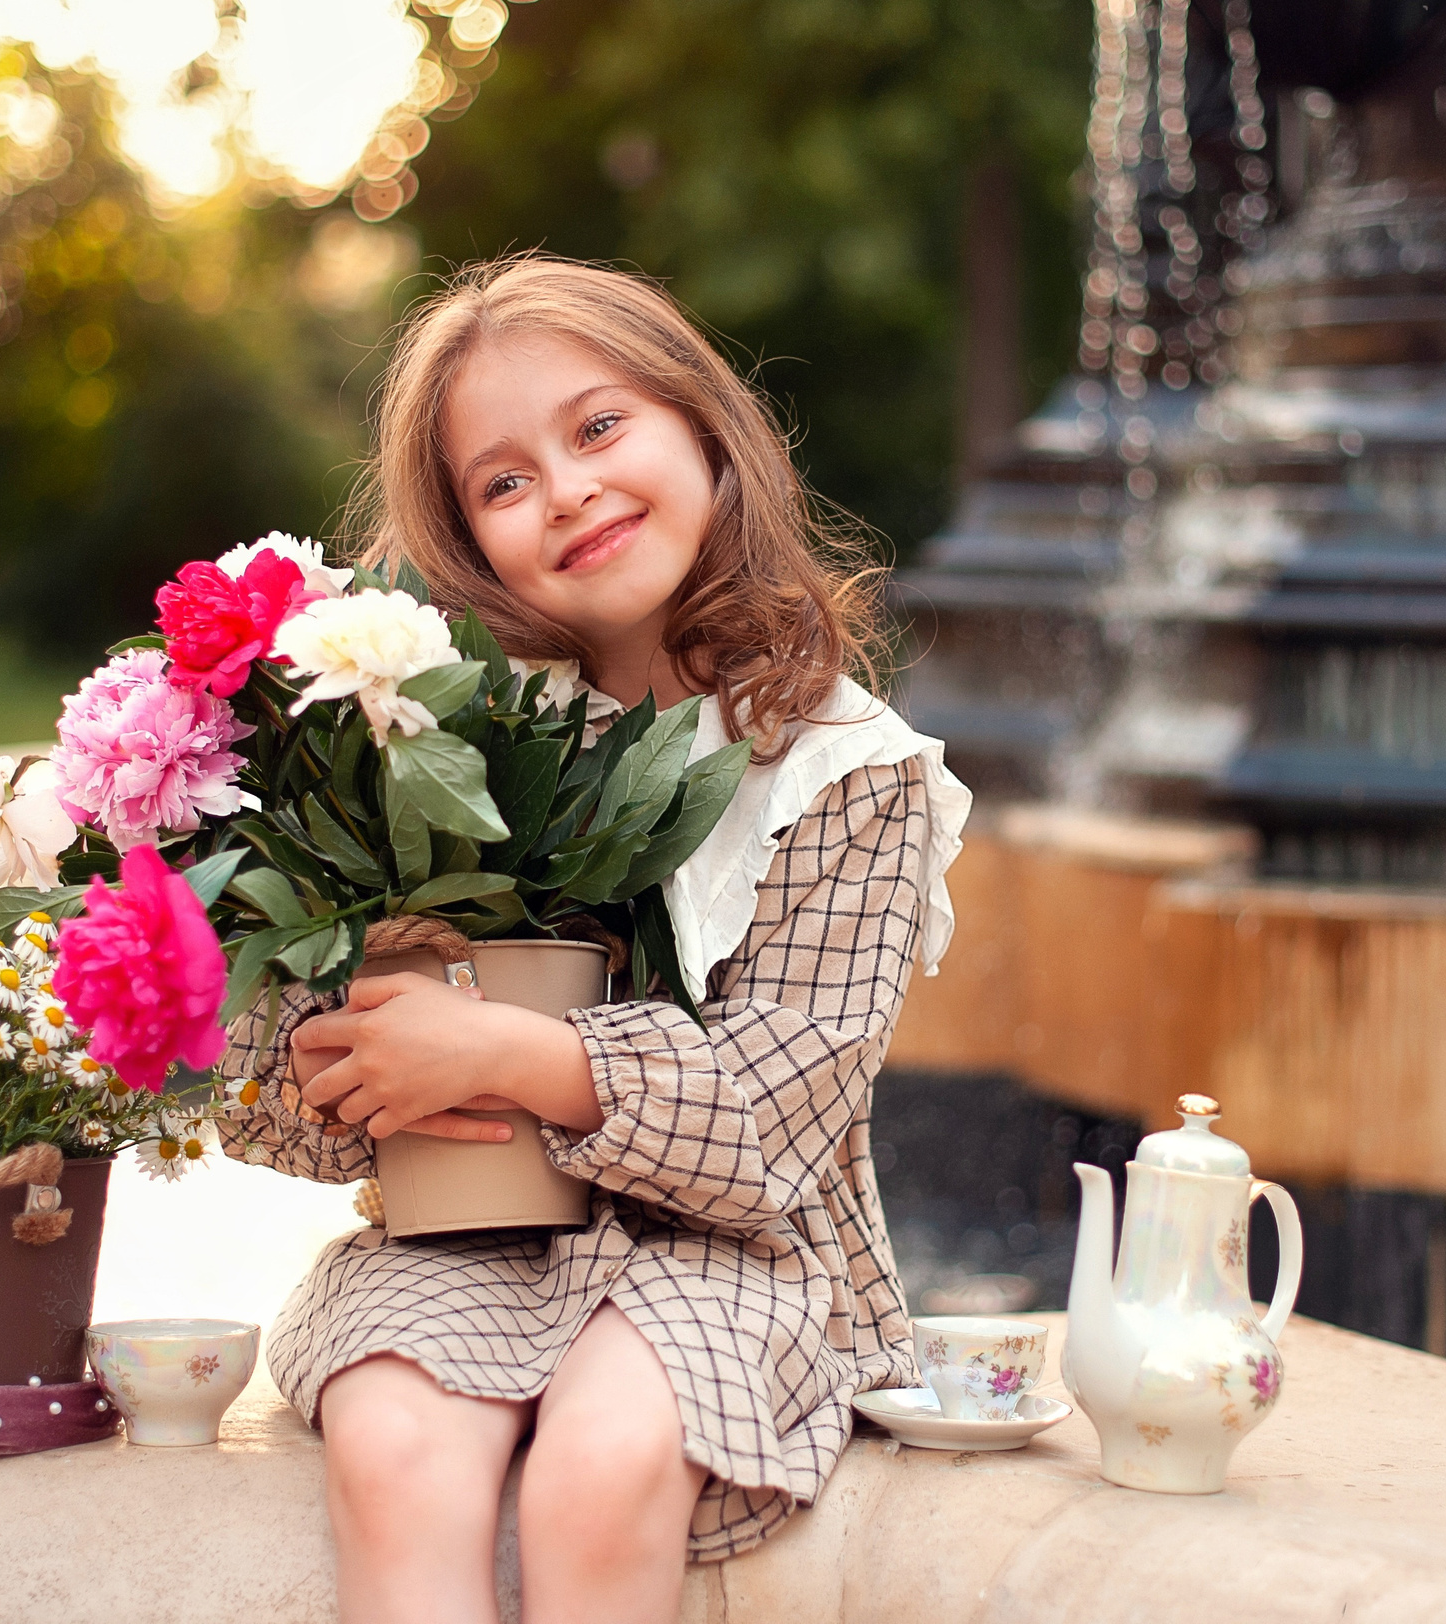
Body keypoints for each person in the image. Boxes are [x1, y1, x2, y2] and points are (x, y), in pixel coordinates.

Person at [216, 255, 970, 1624]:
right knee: (392, 1448)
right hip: (472, 1239)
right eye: (503, 482)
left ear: (703, 429)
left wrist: (507, 1048)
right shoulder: (423, 741)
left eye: (601, 426)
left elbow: (773, 1130)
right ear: (465, 538)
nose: (565, 489)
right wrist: (363, 1055)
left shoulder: (852, 772)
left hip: (745, 1258)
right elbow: (272, 1104)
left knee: (602, 1469)